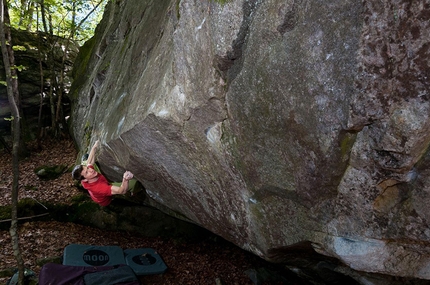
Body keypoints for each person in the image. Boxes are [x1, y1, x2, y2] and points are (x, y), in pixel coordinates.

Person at [72, 140, 135, 206]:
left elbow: (89, 163)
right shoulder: (100, 188)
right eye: (87, 172)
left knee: (86, 160)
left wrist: (94, 147)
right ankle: (132, 192)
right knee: (134, 183)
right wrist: (125, 179)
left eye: (87, 168)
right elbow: (121, 191)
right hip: (104, 200)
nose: (91, 170)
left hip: (95, 187)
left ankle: (84, 161)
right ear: (84, 179)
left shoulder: (88, 174)